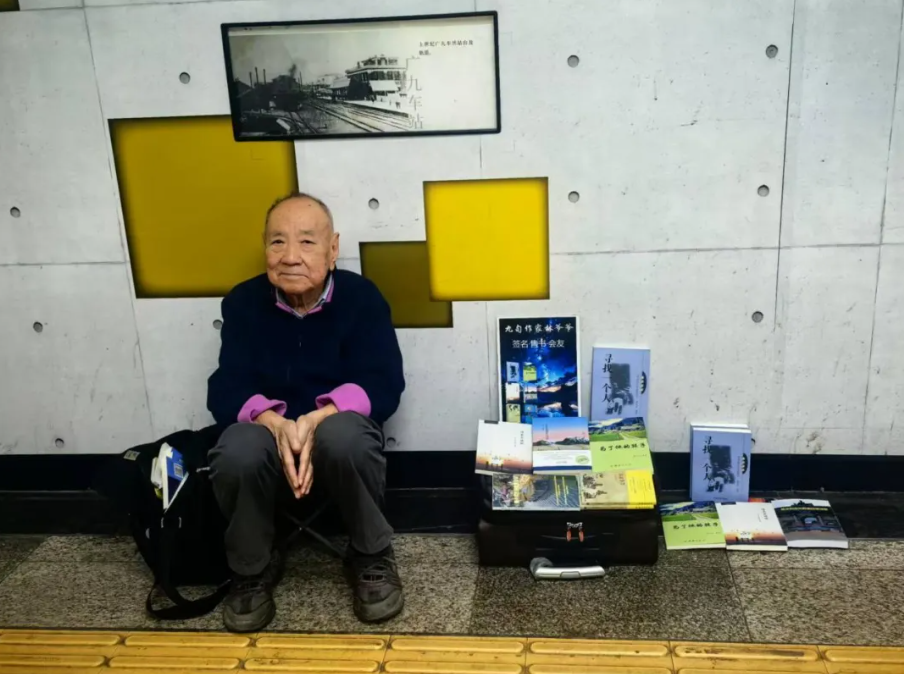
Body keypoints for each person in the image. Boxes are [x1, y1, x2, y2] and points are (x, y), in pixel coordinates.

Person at [206, 192, 406, 633]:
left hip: (336, 432)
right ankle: (251, 567)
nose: (290, 256)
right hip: (268, 435)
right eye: (277, 242)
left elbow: (384, 381)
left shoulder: (362, 298)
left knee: (345, 435)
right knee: (236, 447)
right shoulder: (243, 302)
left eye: (307, 242)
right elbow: (225, 386)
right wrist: (274, 422)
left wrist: (320, 417)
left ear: (333, 249)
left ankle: (371, 554)